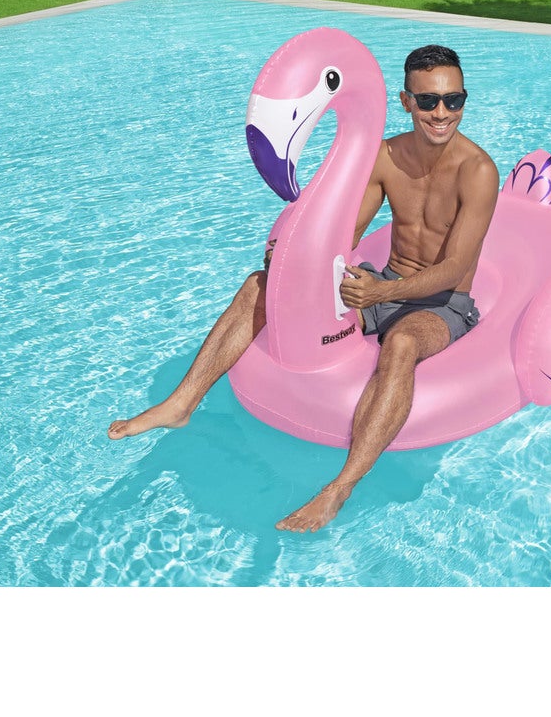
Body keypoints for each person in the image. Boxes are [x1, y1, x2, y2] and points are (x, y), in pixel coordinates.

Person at [108, 45, 500, 532]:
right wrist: (294, 262)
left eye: (454, 100)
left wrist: (378, 296)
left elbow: (454, 267)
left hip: (442, 303)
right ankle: (181, 403)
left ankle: (341, 488)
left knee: (401, 344)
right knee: (259, 285)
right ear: (405, 101)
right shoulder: (386, 157)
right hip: (387, 284)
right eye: (428, 101)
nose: (442, 113)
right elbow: (344, 233)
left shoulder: (477, 171)